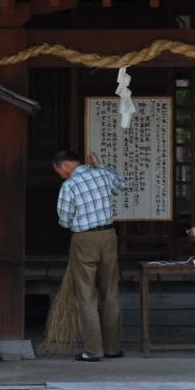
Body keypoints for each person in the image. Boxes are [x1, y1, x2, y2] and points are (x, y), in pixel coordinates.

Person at [53, 149, 127, 362]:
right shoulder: (101, 173)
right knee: (110, 291)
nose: (60, 175)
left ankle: (93, 351)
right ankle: (113, 348)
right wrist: (100, 166)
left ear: (64, 165)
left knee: (86, 295)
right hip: (109, 236)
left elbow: (64, 220)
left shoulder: (69, 186)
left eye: (58, 171)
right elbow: (122, 185)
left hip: (85, 239)